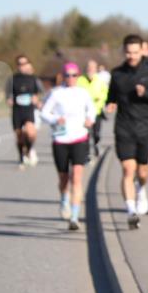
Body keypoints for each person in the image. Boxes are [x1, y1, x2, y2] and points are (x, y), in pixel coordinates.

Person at [104, 34, 148, 230]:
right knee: (127, 170)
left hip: (144, 127)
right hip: (124, 127)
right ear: (123, 52)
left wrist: (147, 94)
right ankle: (131, 211)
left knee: (142, 171)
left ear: (142, 50)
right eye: (128, 52)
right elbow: (112, 96)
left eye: (135, 52)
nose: (132, 56)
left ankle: (141, 189)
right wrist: (110, 105)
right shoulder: (117, 73)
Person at [39, 63, 95, 231]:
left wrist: (90, 120)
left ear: (78, 76)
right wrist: (56, 119)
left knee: (76, 178)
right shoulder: (56, 94)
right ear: (62, 76)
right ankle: (64, 198)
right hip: (61, 140)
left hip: (80, 137)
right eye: (68, 75)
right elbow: (44, 113)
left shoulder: (83, 93)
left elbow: (91, 110)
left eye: (74, 75)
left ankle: (75, 217)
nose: (71, 78)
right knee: (64, 179)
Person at [5, 54, 45, 169]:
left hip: (29, 109)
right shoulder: (12, 79)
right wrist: (9, 99)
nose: (22, 66)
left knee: (31, 133)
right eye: (20, 64)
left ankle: (29, 149)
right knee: (19, 135)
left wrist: (38, 100)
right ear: (17, 66)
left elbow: (42, 93)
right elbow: (8, 93)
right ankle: (21, 157)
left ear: (28, 64)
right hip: (17, 110)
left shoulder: (33, 79)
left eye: (24, 63)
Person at [77, 59, 108, 157]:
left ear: (96, 69)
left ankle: (96, 145)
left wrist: (100, 99)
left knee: (96, 133)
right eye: (89, 67)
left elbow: (105, 93)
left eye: (92, 68)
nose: (90, 69)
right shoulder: (79, 80)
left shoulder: (100, 81)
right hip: (83, 112)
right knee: (85, 133)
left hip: (96, 110)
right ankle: (86, 153)